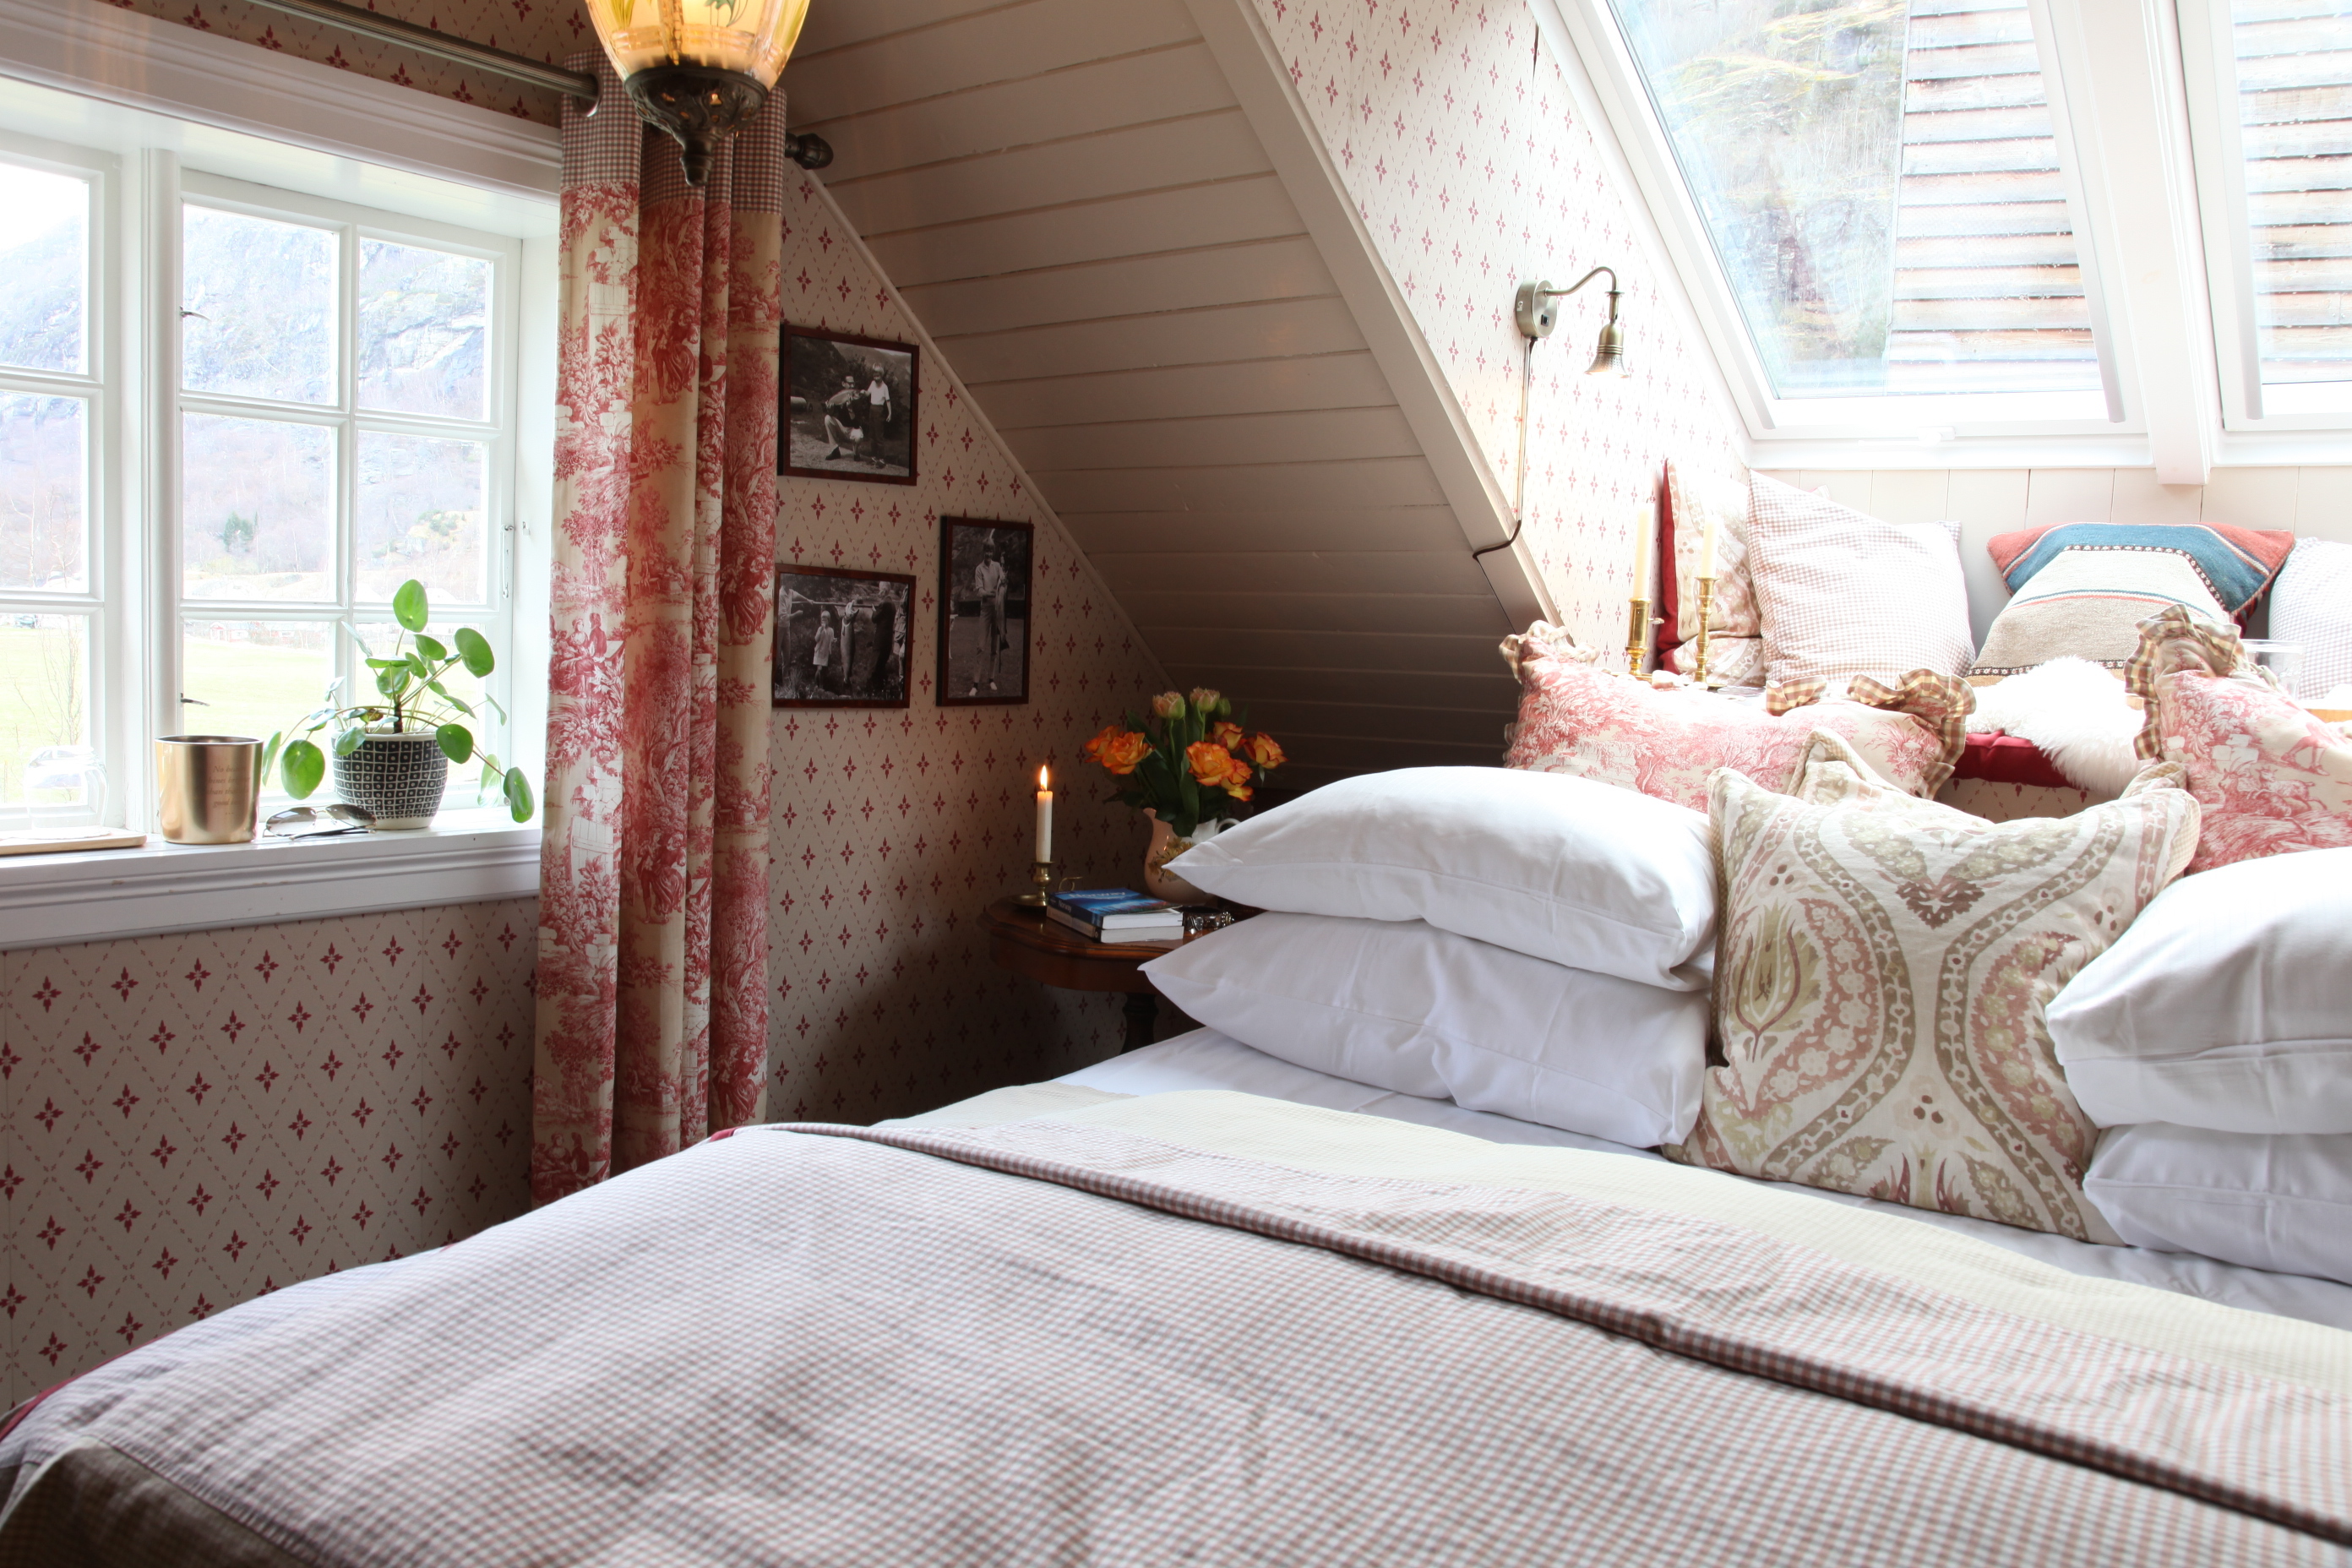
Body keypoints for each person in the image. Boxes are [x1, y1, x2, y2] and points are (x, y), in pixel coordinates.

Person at [970, 540, 1007, 696]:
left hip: (998, 610)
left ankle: (991, 679)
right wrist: (991, 593)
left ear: (993, 552)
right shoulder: (979, 569)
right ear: (983, 551)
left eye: (991, 551)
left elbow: (1003, 584)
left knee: (994, 646)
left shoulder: (998, 566)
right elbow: (979, 591)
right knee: (980, 646)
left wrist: (1004, 582)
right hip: (985, 610)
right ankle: (975, 684)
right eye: (986, 551)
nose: (988, 554)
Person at [821, 374, 863, 461]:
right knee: (827, 418)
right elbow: (832, 413)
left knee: (859, 436)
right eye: (850, 383)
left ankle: (856, 454)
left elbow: (857, 424)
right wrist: (829, 409)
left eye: (853, 383)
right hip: (841, 428)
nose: (852, 386)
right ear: (843, 384)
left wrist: (850, 409)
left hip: (853, 429)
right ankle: (835, 451)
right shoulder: (839, 396)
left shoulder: (857, 399)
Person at [863, 368, 893, 466]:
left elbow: (888, 401)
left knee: (879, 435)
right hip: (872, 409)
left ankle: (882, 459)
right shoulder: (872, 383)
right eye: (874, 376)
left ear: (881, 376)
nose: (876, 378)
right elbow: (868, 393)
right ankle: (874, 457)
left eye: (878, 376)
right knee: (872, 435)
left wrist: (890, 413)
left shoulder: (885, 387)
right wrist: (863, 392)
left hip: (879, 410)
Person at [810, 607, 836, 694]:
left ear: (829, 621)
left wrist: (834, 640)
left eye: (825, 620)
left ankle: (821, 685)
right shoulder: (820, 629)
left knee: (823, 671)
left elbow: (831, 640)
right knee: (819, 669)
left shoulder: (831, 630)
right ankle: (816, 685)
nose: (824, 622)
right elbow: (816, 639)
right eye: (822, 620)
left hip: (825, 653)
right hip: (819, 652)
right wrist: (820, 631)